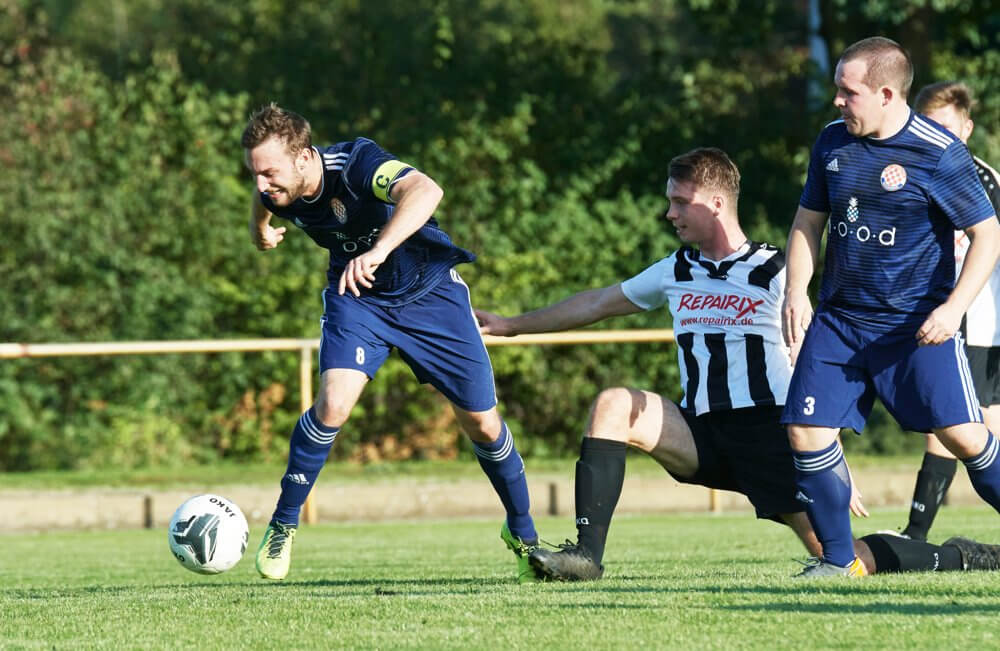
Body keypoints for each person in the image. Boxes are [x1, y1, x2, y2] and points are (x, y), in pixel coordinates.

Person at [477, 147, 1000, 581]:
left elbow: (810, 357)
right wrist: (511, 324)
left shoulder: (776, 271)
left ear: (717, 203)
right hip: (700, 431)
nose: (670, 213)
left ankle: (959, 556)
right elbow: (595, 303)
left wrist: (831, 454)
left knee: (843, 558)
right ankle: (586, 556)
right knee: (615, 404)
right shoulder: (675, 269)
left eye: (680, 202)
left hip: (771, 438)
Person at [241, 103, 541, 583]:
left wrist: (381, 248)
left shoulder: (357, 165)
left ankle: (524, 535)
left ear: (303, 157)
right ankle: (283, 523)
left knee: (484, 425)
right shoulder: (279, 189)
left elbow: (427, 189)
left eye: (270, 173)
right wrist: (259, 230)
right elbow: (265, 202)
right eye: (255, 174)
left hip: (432, 294)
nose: (262, 185)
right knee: (333, 405)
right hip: (357, 298)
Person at [781, 37, 1000, 577]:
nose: (836, 101)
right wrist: (794, 291)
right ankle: (838, 562)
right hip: (840, 320)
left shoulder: (939, 153)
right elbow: (809, 222)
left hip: (914, 327)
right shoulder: (832, 143)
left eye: (846, 91)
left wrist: (953, 310)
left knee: (965, 438)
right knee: (805, 430)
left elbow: (988, 234)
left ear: (884, 93)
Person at [893, 81, 1000, 541]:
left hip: (976, 321)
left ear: (967, 129)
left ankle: (915, 535)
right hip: (931, 315)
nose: (937, 135)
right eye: (928, 125)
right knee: (973, 427)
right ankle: (915, 534)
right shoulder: (904, 171)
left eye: (947, 128)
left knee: (956, 426)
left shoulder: (986, 179)